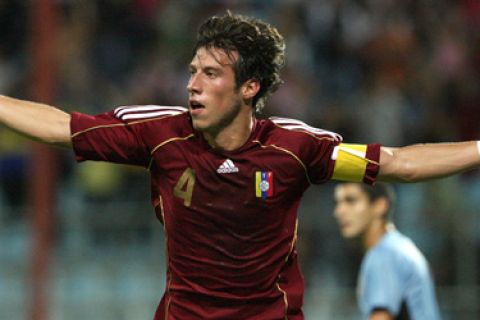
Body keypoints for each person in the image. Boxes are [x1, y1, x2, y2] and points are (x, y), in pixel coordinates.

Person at [0, 11, 478, 319]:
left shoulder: (294, 148)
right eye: (192, 71)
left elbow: (399, 163)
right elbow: (61, 126)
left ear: (249, 87)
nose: (193, 85)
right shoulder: (160, 135)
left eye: (210, 74)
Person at [333, 182, 441, 320]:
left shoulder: (384, 255)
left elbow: (381, 317)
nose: (339, 211)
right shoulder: (397, 247)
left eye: (351, 201)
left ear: (379, 205)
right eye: (337, 203)